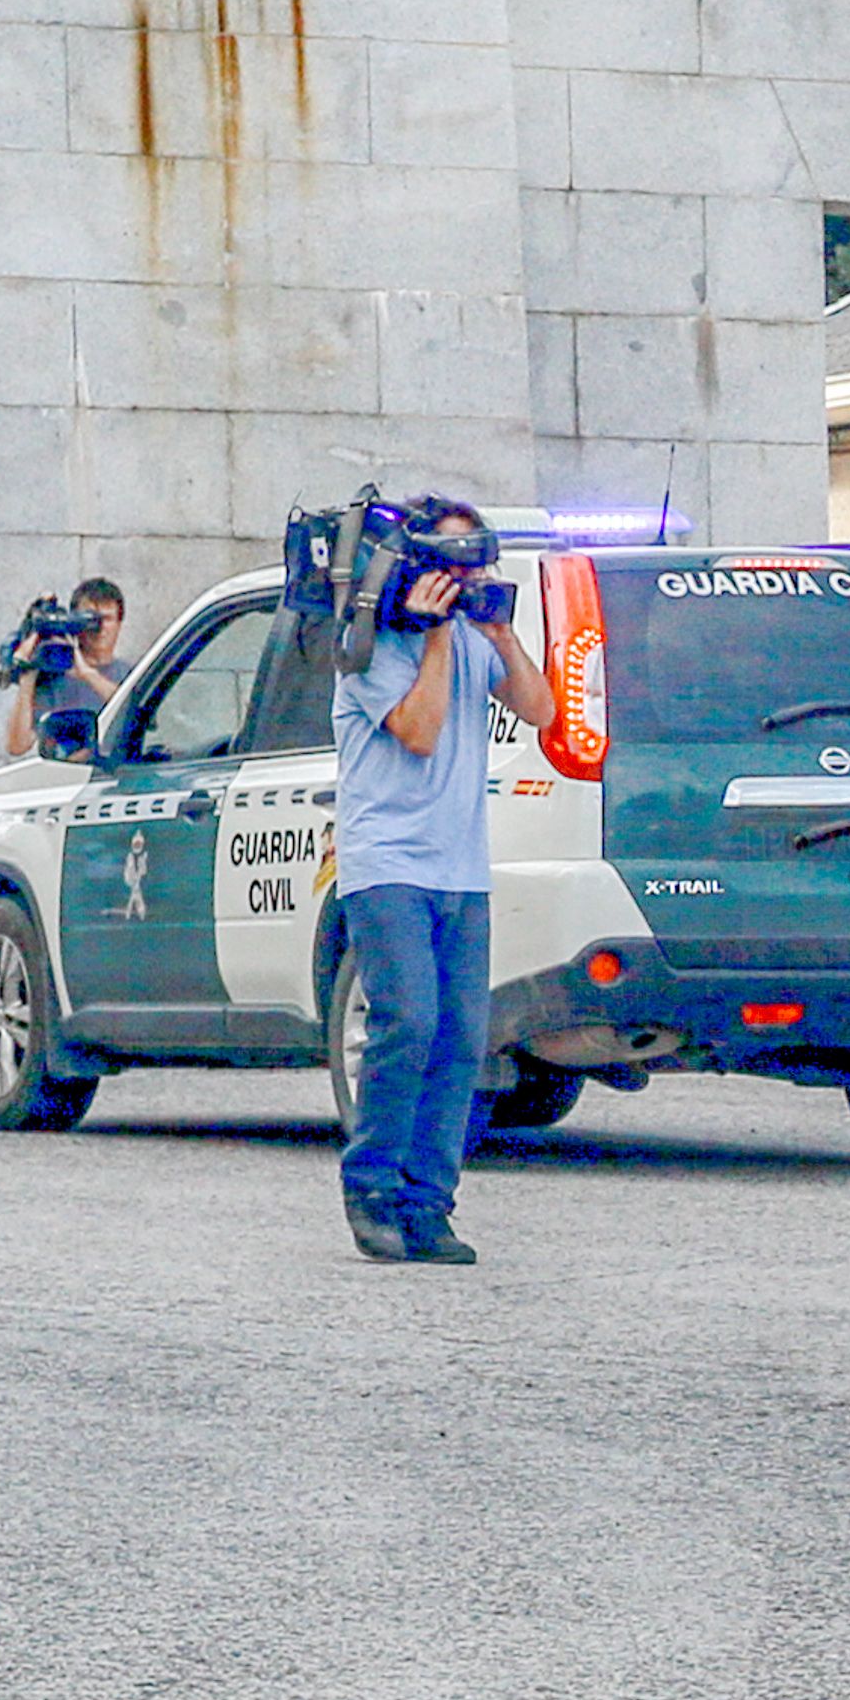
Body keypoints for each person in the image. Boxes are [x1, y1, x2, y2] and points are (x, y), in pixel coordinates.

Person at [328, 502, 552, 1265]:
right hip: (386, 863)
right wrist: (431, 638)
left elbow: (540, 709)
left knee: (461, 1038)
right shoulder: (371, 646)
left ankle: (429, 1203)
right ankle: (372, 1189)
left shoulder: (471, 635)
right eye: (452, 562)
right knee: (409, 1021)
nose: (467, 576)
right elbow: (419, 732)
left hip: (459, 865)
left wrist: (499, 633)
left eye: (475, 562)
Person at [0, 577, 128, 763]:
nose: (99, 629)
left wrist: (88, 675)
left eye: (107, 619)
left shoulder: (129, 675)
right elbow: (16, 745)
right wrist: (28, 675)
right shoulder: (54, 679)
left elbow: (137, 711)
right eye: (90, 620)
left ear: (119, 623)